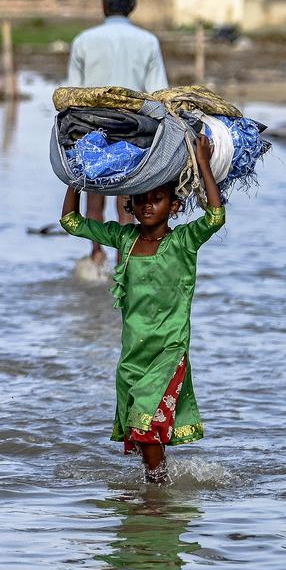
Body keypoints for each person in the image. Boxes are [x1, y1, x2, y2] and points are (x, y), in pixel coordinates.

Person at [58, 135, 224, 483]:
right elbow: (71, 222)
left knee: (145, 425)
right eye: (142, 200)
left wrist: (203, 162)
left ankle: (156, 496)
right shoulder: (125, 239)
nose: (149, 206)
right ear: (128, 205)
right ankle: (156, 496)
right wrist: (77, 174)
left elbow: (215, 216)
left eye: (158, 199)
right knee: (141, 433)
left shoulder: (183, 242)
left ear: (174, 206)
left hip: (168, 351)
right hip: (133, 356)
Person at [67, 0, 169, 273]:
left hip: (91, 128)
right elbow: (158, 94)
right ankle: (124, 258)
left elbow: (73, 94)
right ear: (133, 6)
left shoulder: (84, 41)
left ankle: (96, 254)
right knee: (128, 199)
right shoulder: (149, 42)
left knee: (94, 197)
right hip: (134, 131)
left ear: (103, 4)